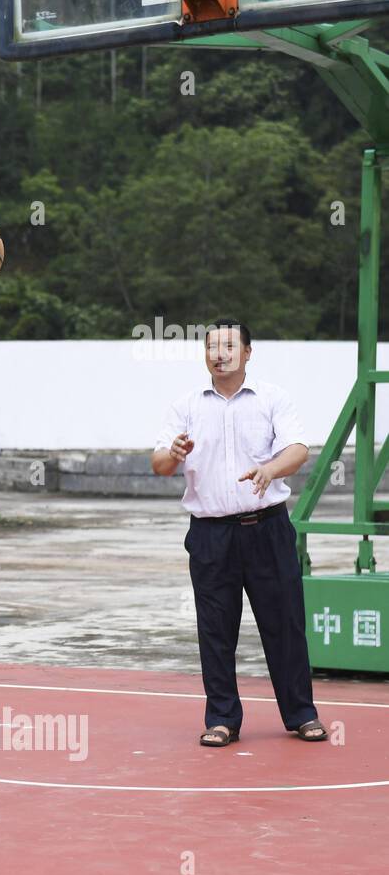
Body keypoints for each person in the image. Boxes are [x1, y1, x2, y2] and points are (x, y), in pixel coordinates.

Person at [151, 319, 328, 747]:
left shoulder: (271, 399)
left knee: (284, 623)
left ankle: (301, 714)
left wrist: (269, 469)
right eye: (212, 346)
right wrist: (171, 454)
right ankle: (223, 719)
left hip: (267, 529)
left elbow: (298, 449)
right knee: (215, 628)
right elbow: (158, 463)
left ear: (248, 352)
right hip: (211, 535)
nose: (220, 353)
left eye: (230, 345)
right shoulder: (186, 406)